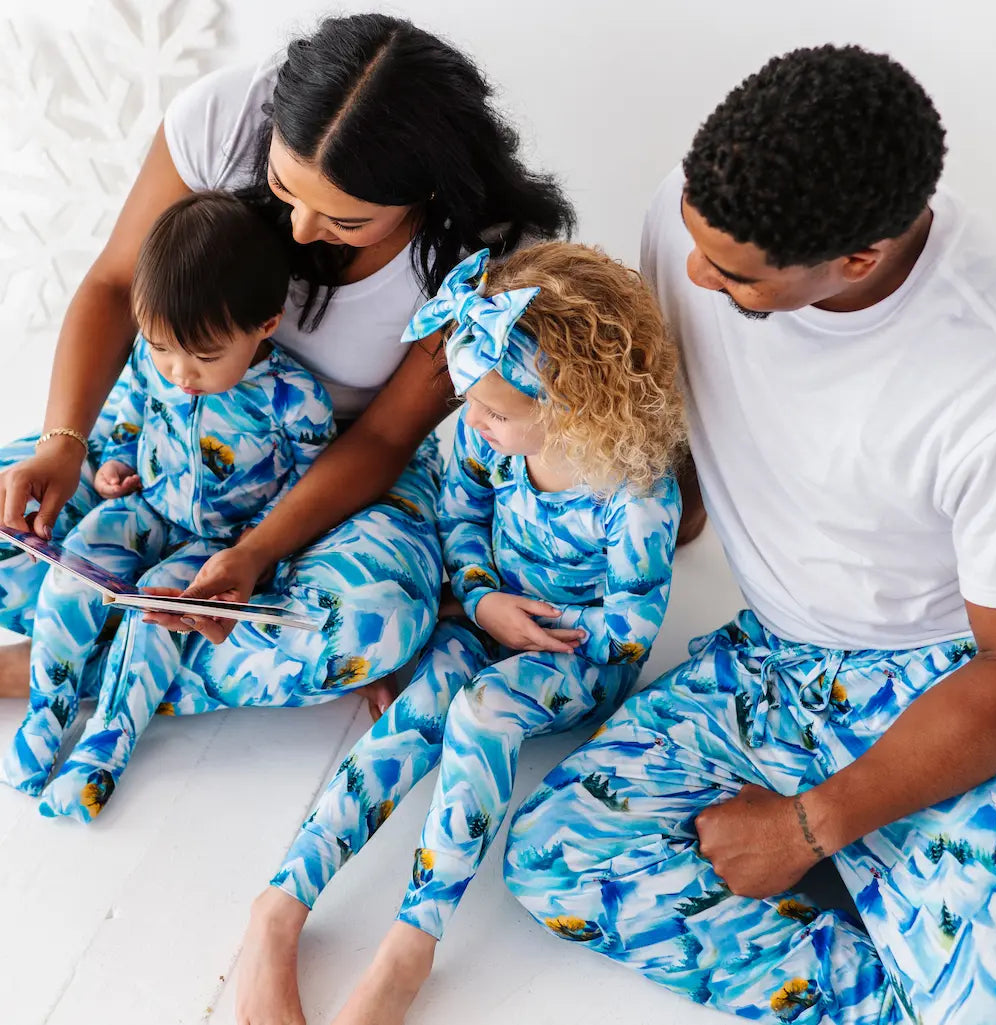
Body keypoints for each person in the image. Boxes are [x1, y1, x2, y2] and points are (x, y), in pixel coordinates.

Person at [503, 45, 996, 1024]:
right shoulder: (686, 211)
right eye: (694, 238)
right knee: (555, 854)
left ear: (856, 260)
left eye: (735, 274)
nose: (692, 271)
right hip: (772, 666)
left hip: (944, 689)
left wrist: (806, 825)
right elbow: (680, 416)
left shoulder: (995, 372)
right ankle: (888, 988)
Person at [0, 13, 575, 721]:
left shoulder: (487, 254)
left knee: (372, 622)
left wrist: (255, 552)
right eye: (283, 186)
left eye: (346, 220)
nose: (301, 228)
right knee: (12, 514)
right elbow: (117, 287)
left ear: (427, 194)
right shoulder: (227, 115)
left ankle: (55, 664)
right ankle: (150, 628)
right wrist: (66, 441)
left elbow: (385, 438)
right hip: (161, 436)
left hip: (328, 477)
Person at [234, 243, 685, 1025]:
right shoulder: (486, 435)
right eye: (468, 401)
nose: (470, 421)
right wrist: (479, 603)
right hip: (484, 620)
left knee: (480, 711)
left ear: (574, 406)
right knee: (414, 715)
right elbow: (461, 519)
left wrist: (531, 625)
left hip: (571, 660)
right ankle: (280, 903)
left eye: (495, 411)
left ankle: (411, 941)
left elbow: (629, 631)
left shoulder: (636, 496)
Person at [1, 191, 339, 820]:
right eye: (162, 348)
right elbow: (129, 415)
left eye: (205, 358)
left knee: (155, 618)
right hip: (145, 508)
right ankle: (46, 717)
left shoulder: (296, 399)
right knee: (68, 582)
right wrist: (111, 468)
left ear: (265, 323)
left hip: (220, 543)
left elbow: (311, 488)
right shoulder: (149, 361)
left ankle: (103, 751)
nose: (180, 372)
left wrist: (256, 552)